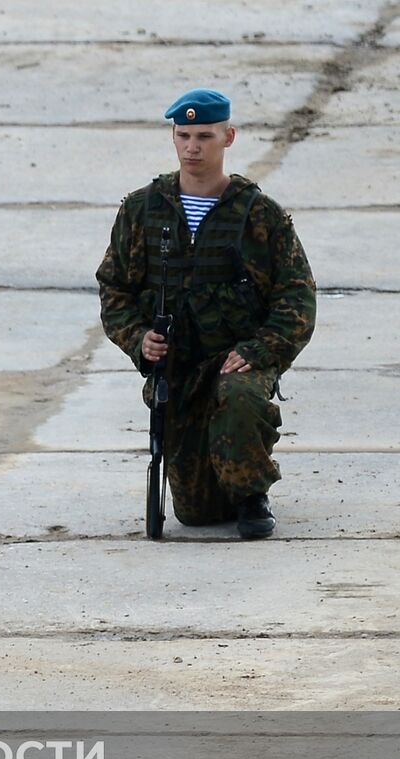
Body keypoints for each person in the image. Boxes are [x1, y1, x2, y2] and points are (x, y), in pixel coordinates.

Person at [98, 88, 315, 539]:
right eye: (184, 136)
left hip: (237, 358)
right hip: (177, 367)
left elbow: (297, 296)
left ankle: (252, 495)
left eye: (205, 136)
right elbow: (115, 288)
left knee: (239, 397)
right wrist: (139, 339)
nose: (193, 147)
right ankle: (225, 482)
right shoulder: (142, 210)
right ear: (174, 139)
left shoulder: (259, 215)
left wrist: (261, 350)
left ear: (228, 137)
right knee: (196, 513)